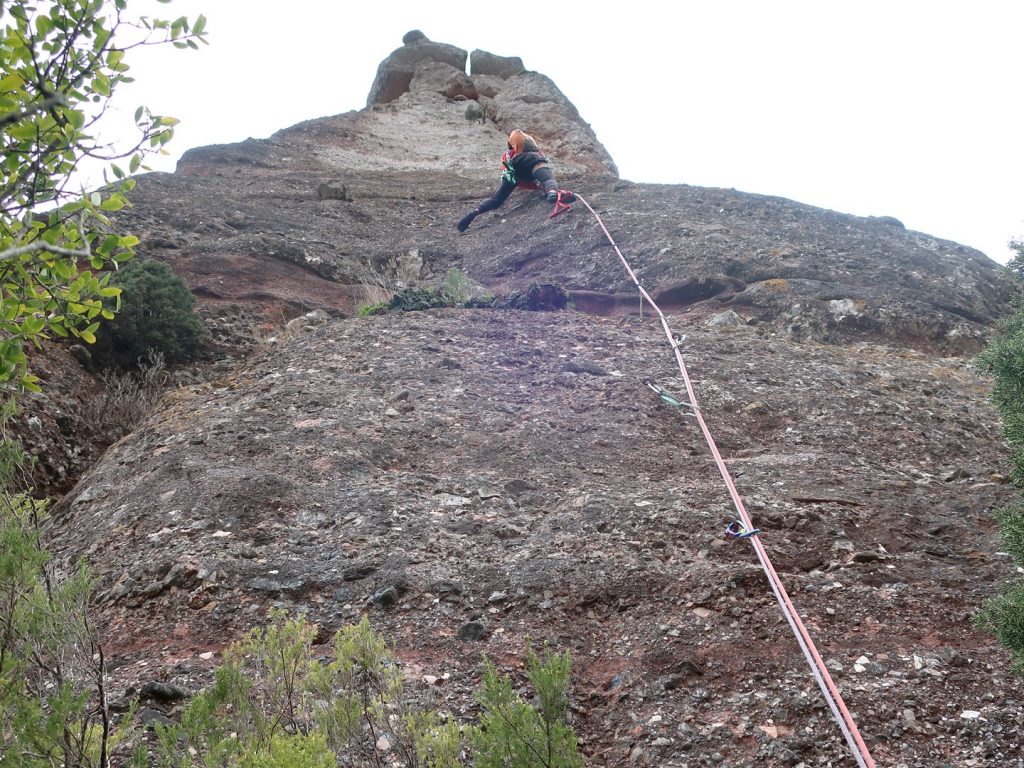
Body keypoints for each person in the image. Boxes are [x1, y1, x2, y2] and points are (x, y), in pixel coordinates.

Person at [457, 129, 572, 232]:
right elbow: (540, 180)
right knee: (547, 179)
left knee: (497, 199)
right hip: (533, 161)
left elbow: (508, 168)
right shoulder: (532, 146)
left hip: (514, 169)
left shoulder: (509, 154)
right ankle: (553, 192)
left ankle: (475, 212)